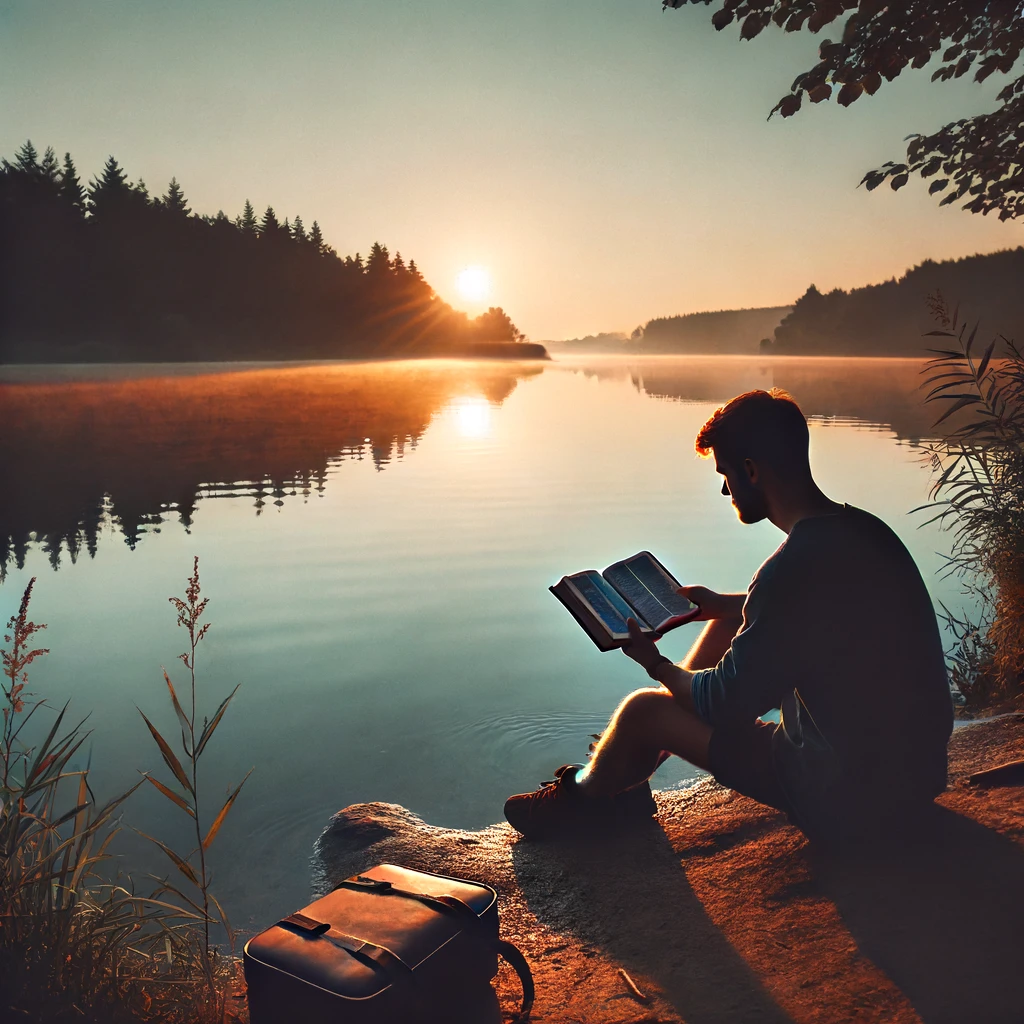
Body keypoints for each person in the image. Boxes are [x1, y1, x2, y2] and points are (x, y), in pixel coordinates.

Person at [504, 388, 954, 843]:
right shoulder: (867, 530)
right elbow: (828, 612)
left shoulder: (789, 568)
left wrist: (655, 663)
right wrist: (725, 606)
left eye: (726, 474)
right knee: (727, 623)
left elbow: (721, 705)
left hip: (847, 799)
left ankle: (586, 800)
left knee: (642, 709)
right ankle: (626, 775)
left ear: (752, 472)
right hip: (915, 777)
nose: (724, 488)